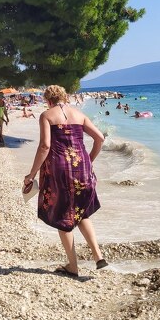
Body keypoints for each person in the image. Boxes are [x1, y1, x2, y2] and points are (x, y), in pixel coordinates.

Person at [23, 85, 107, 277]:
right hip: (82, 167)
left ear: (47, 99)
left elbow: (45, 146)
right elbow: (100, 138)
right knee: (82, 211)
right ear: (65, 97)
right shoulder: (79, 114)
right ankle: (98, 256)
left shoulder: (46, 115)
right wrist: (89, 160)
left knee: (63, 215)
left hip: (59, 170)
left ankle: (73, 266)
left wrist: (32, 174)